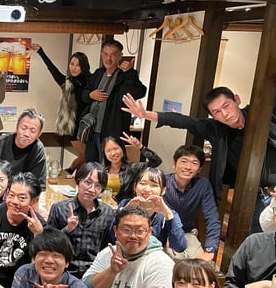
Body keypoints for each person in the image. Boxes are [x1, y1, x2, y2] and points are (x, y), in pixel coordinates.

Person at [122, 86, 276, 233]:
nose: (225, 114)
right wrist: (145, 114)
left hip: (274, 189)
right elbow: (185, 121)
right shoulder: (216, 129)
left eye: (226, 106)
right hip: (252, 197)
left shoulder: (262, 115)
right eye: (217, 112)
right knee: (258, 238)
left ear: (237, 100)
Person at [0, 172, 46, 288]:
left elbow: (41, 263)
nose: (14, 201)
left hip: (21, 282)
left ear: (34, 201)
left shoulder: (38, 225)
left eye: (22, 198)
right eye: (11, 195)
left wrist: (38, 235)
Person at [29, 44, 91, 174]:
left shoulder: (91, 81)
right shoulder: (66, 82)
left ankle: (71, 175)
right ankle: (68, 172)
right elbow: (52, 69)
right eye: (72, 64)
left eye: (78, 65)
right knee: (85, 156)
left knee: (88, 157)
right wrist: (41, 52)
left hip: (88, 126)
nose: (74, 67)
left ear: (83, 66)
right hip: (72, 126)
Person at [82, 40, 147, 163]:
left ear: (120, 56)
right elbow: (84, 95)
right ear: (101, 54)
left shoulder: (124, 76)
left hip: (112, 132)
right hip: (92, 130)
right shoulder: (98, 73)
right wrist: (90, 95)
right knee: (90, 165)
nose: (108, 58)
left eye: (113, 54)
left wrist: (130, 73)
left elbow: (139, 92)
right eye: (105, 54)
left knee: (108, 166)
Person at [47, 162, 115, 278]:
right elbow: (47, 244)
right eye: (87, 182)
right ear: (78, 181)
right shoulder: (59, 208)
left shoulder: (108, 213)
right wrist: (67, 229)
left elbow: (107, 248)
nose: (91, 189)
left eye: (98, 185)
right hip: (63, 272)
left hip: (93, 274)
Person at [163, 145, 221, 261]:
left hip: (187, 233)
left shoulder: (202, 185)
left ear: (199, 169)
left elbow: (212, 217)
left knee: (201, 266)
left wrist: (210, 249)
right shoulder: (163, 182)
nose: (188, 167)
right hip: (162, 233)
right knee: (171, 263)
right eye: (184, 161)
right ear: (174, 164)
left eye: (194, 163)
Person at [116, 167, 187, 253]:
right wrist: (125, 214)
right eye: (143, 183)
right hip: (124, 255)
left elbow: (180, 247)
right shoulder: (125, 204)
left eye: (154, 185)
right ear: (135, 187)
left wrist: (168, 215)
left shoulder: (168, 213)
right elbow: (112, 238)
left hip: (153, 257)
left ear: (163, 190)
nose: (147, 189)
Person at [0, 108, 47, 191]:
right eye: (23, 128)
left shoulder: (38, 149)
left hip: (19, 193)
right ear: (17, 127)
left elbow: (38, 184)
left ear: (39, 134)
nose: (26, 134)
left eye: (32, 131)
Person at [101, 134, 162, 203]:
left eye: (115, 149)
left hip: (126, 206)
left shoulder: (132, 168)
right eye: (108, 150)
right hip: (105, 207)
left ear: (122, 149)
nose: (113, 153)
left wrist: (140, 147)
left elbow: (156, 161)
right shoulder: (102, 170)